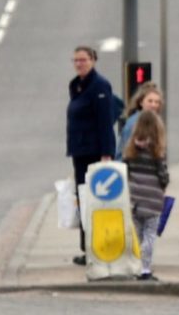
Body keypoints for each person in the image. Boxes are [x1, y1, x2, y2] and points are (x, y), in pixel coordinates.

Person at [66, 46, 120, 266]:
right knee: (83, 201)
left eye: (84, 60)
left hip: (94, 153)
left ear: (93, 60)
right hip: (80, 151)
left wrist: (107, 153)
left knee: (96, 202)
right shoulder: (76, 85)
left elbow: (105, 121)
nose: (79, 64)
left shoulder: (99, 86)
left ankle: (98, 248)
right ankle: (88, 248)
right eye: (76, 60)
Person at [123, 111, 170, 281]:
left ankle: (135, 266)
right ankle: (145, 269)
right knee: (150, 235)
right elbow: (163, 177)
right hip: (153, 201)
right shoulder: (157, 152)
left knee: (137, 235)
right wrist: (163, 185)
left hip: (135, 200)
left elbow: (125, 171)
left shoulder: (130, 150)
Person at [118, 82, 164, 157]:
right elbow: (125, 150)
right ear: (141, 102)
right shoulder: (134, 122)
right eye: (150, 101)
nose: (154, 105)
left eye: (157, 102)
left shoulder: (156, 122)